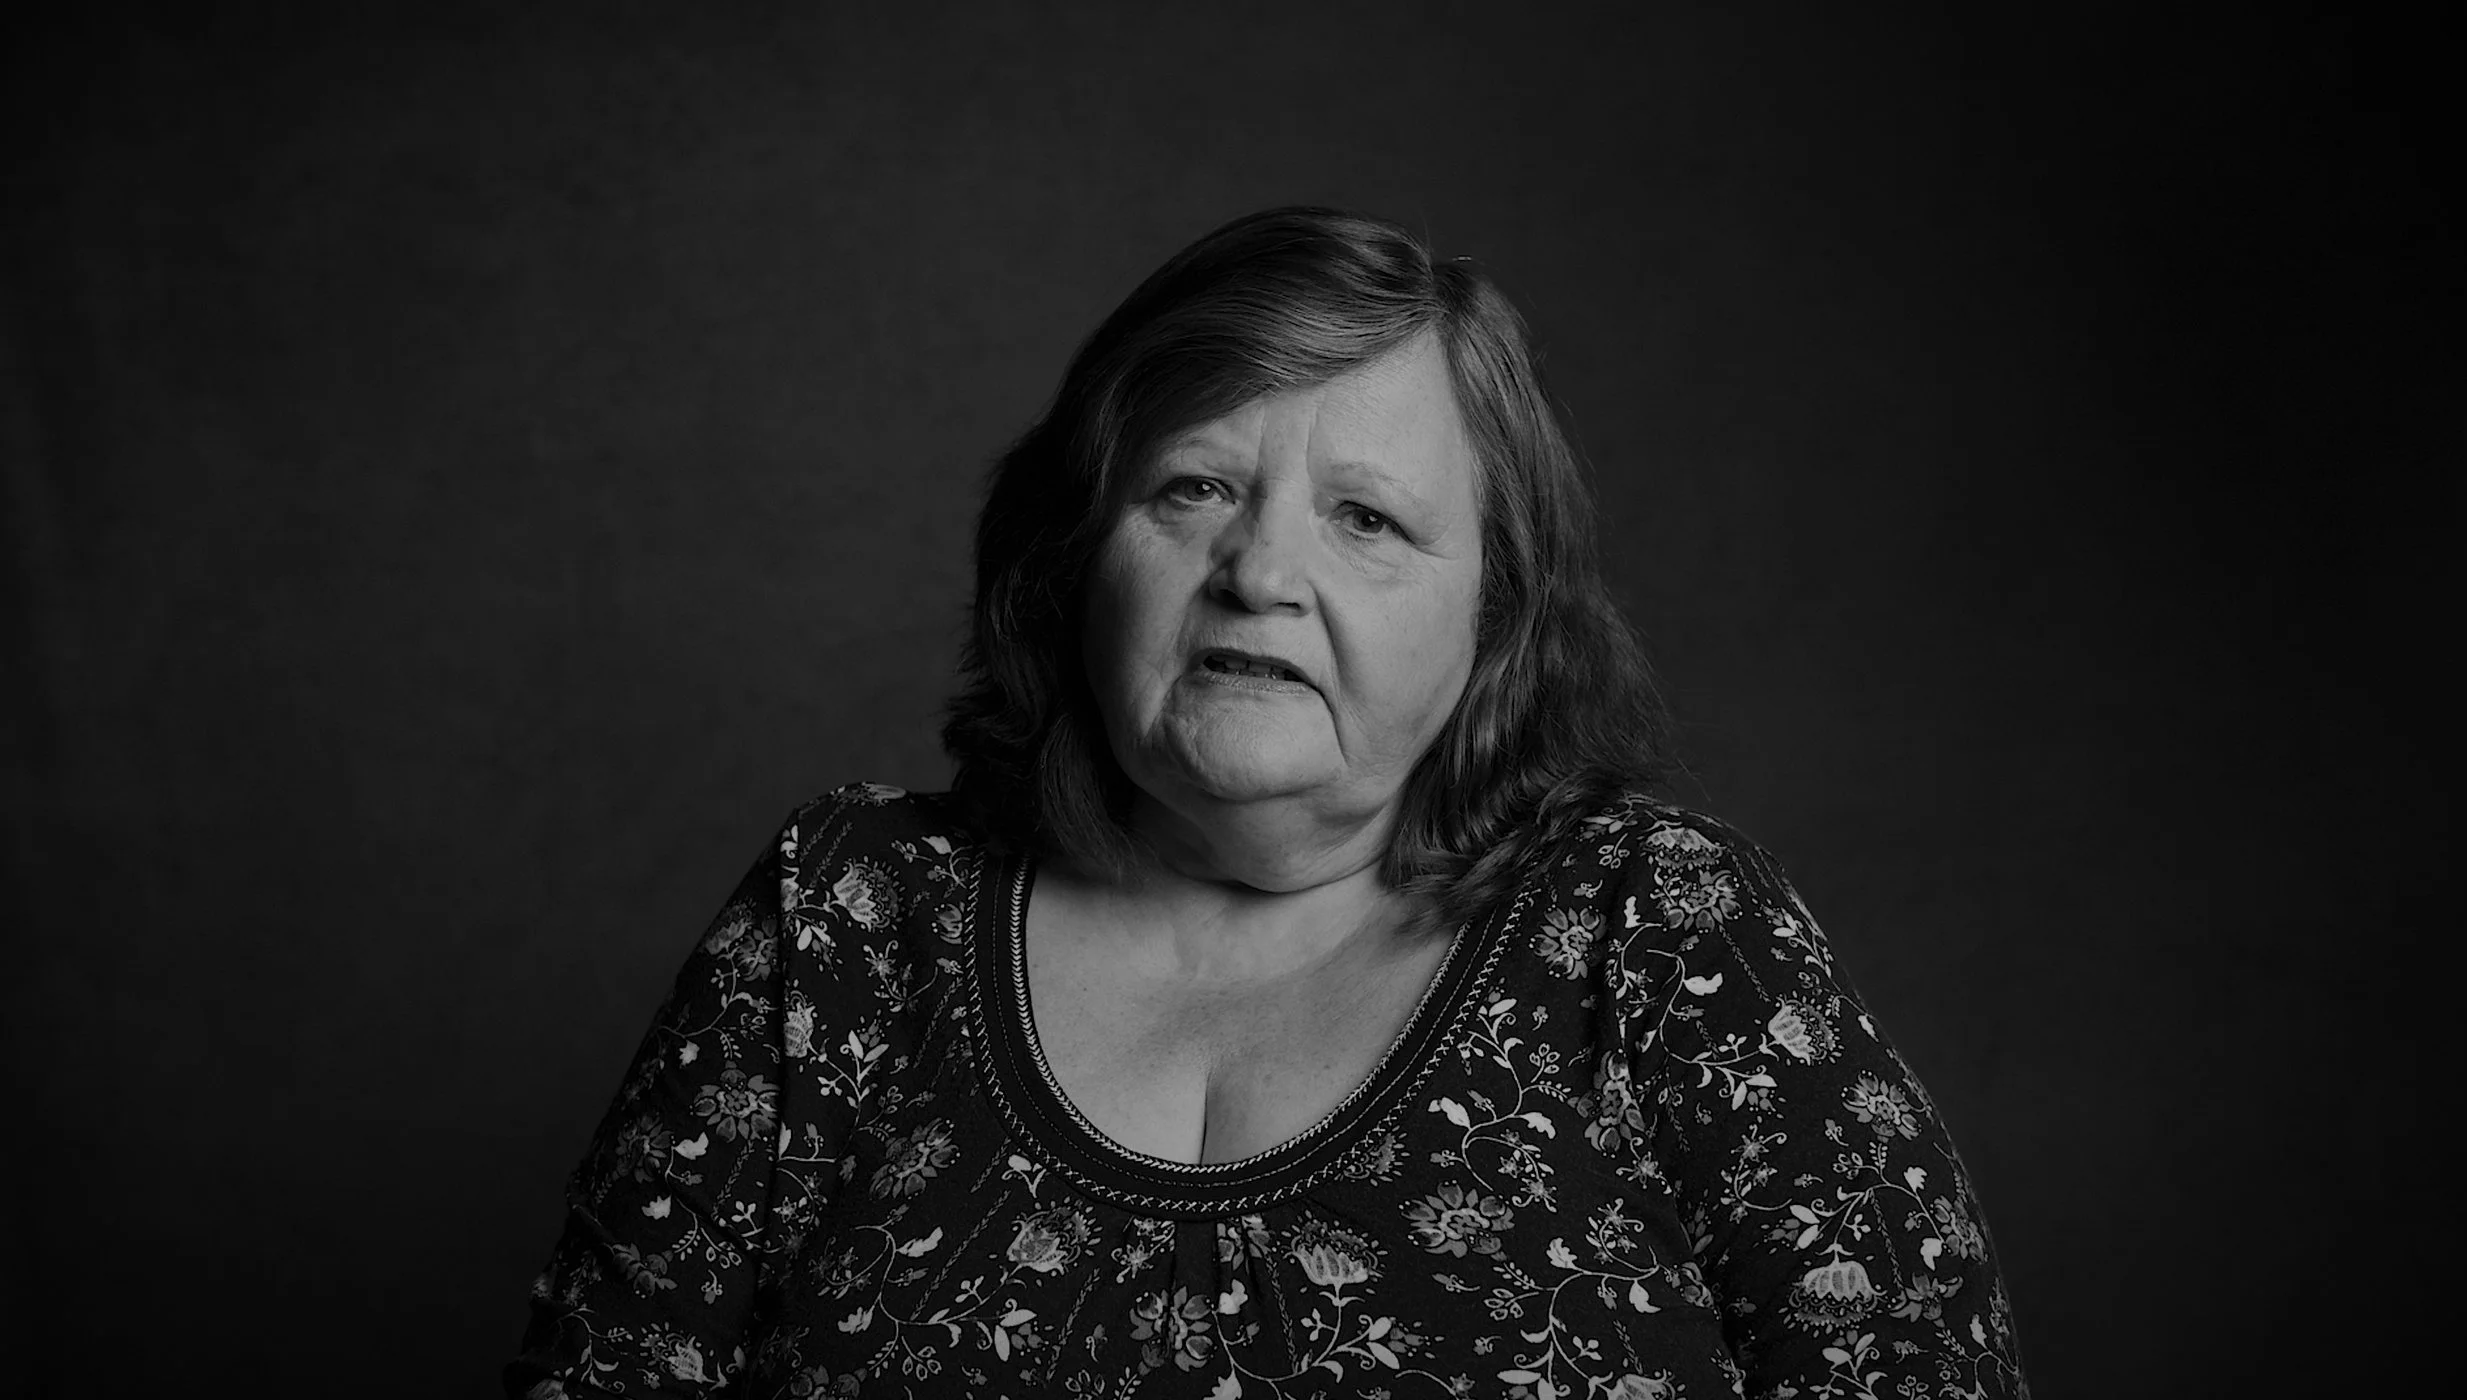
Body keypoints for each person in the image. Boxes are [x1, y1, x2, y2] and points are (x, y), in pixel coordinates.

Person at [507, 207, 2028, 1399]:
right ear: (1075, 552)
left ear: (1496, 615)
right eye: (1193, 490)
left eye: (1365, 518)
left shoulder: (1666, 932)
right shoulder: (845, 913)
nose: (1260, 573)